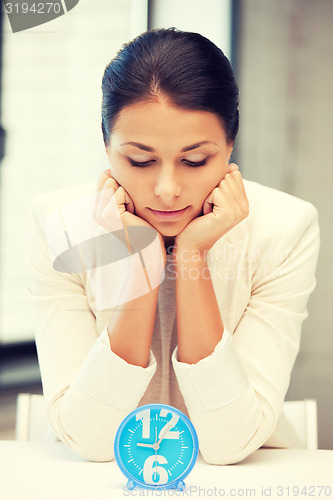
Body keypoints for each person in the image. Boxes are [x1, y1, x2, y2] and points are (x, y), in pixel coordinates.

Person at [27, 27, 320, 465]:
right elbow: (89, 440)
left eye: (195, 161)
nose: (167, 190)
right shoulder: (60, 225)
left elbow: (229, 443)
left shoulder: (284, 228)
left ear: (230, 145)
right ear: (106, 145)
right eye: (141, 161)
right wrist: (140, 261)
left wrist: (192, 254)